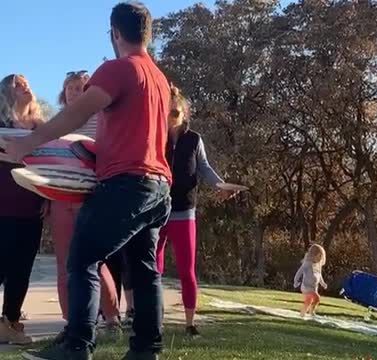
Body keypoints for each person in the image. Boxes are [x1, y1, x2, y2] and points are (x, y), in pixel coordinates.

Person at [7, 3, 172, 359]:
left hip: (126, 184)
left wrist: (29, 143)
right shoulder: (159, 78)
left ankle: (77, 345)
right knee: (145, 271)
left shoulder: (117, 69)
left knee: (82, 258)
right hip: (158, 187)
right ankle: (146, 349)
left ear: (115, 33)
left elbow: (76, 113)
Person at [49, 71, 121, 342]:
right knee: (63, 263)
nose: (75, 92)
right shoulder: (55, 123)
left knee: (91, 259)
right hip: (59, 197)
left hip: (89, 196)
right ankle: (70, 323)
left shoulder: (100, 118)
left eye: (81, 88)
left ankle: (112, 317)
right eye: (70, 88)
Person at [156, 85, 233, 336]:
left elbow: (204, 168)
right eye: (167, 112)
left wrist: (220, 185)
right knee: (152, 267)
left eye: (176, 112)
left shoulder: (193, 139)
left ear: (185, 114)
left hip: (184, 211)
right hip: (156, 210)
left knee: (186, 270)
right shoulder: (156, 136)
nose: (171, 117)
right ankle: (152, 318)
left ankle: (189, 323)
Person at [0, 74, 46, 345]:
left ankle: (12, 322)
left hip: (31, 206)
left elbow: (52, 166)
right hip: (1, 205)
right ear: (6, 93)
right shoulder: (1, 125)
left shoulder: (42, 128)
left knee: (22, 267)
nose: (25, 85)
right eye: (17, 83)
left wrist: (49, 199)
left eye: (27, 81)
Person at [293, 244, 328, 318]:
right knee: (313, 298)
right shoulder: (307, 264)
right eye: (319, 256)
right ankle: (306, 312)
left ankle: (308, 312)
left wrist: (323, 283)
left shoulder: (318, 265)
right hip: (306, 286)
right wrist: (295, 282)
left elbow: (319, 275)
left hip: (314, 288)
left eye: (321, 257)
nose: (320, 259)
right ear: (313, 255)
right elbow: (299, 272)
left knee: (314, 300)